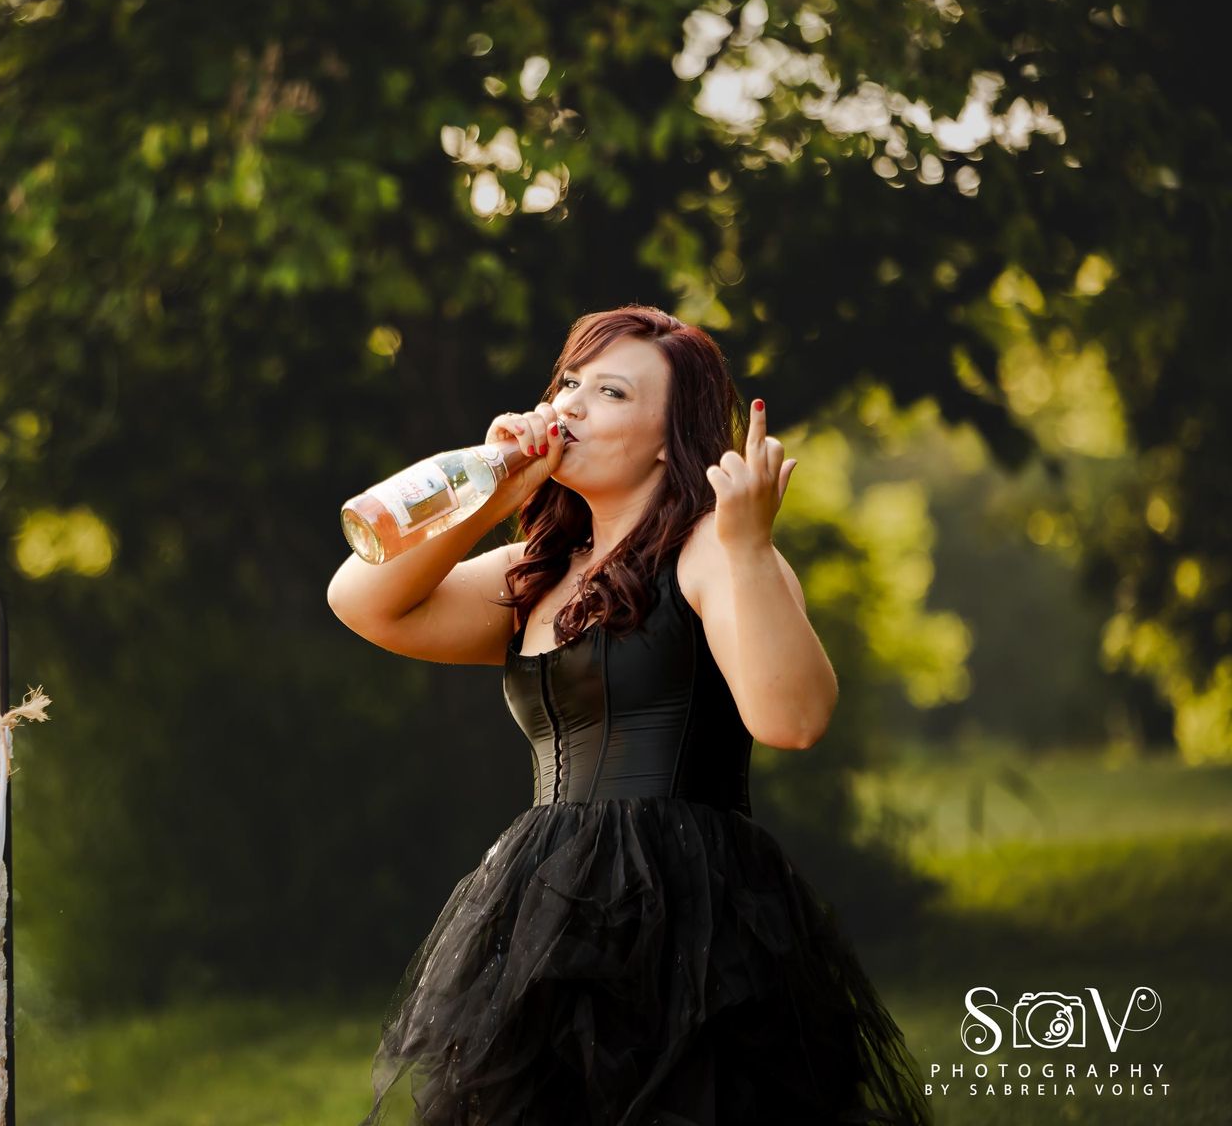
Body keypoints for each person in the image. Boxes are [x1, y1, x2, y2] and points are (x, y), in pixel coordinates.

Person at [326, 306, 932, 1125]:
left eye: (608, 392)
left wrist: (751, 547)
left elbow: (793, 720)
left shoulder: (715, 547)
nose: (569, 405)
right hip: (546, 909)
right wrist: (497, 484)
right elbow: (363, 600)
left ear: (665, 437)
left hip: (691, 914)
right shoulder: (536, 573)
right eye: (568, 382)